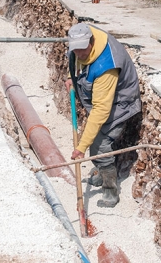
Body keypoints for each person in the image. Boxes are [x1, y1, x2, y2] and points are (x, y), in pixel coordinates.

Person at [65, 23, 142, 208]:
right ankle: (101, 174)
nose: (80, 54)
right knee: (97, 145)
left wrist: (81, 146)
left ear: (91, 42)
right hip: (103, 99)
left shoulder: (106, 65)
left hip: (120, 103)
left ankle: (110, 192)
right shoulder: (78, 45)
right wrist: (71, 77)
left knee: (100, 148)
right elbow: (75, 60)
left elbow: (101, 110)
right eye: (76, 50)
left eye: (84, 50)